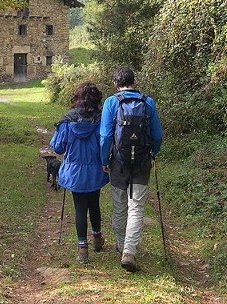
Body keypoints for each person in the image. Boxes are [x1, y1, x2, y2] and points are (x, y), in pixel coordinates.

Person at [100, 66, 163, 272]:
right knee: (136, 207)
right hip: (142, 162)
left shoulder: (111, 102)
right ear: (134, 82)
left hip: (119, 162)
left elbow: (105, 136)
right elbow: (157, 135)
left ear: (115, 84)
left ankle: (120, 244)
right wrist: (152, 152)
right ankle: (129, 251)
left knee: (119, 206)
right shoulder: (148, 102)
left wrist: (104, 159)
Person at [50, 82, 109, 264]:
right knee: (94, 204)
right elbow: (106, 142)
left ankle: (82, 248)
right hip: (95, 170)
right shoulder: (101, 120)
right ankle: (97, 238)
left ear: (77, 99)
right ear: (97, 99)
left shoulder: (67, 120)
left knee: (80, 208)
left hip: (74, 172)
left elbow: (57, 148)